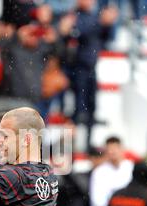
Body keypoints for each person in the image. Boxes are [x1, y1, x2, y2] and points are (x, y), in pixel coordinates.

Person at [58, 0, 118, 151]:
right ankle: (72, 145)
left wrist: (109, 23)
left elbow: (106, 38)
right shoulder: (74, 15)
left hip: (91, 68)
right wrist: (101, 22)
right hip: (77, 69)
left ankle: (88, 144)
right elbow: (78, 33)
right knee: (78, 109)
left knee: (91, 108)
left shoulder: (93, 16)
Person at [89, 136, 133, 206]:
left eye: (115, 148)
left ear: (122, 149)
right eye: (110, 149)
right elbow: (97, 202)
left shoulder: (131, 168)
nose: (112, 152)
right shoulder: (99, 172)